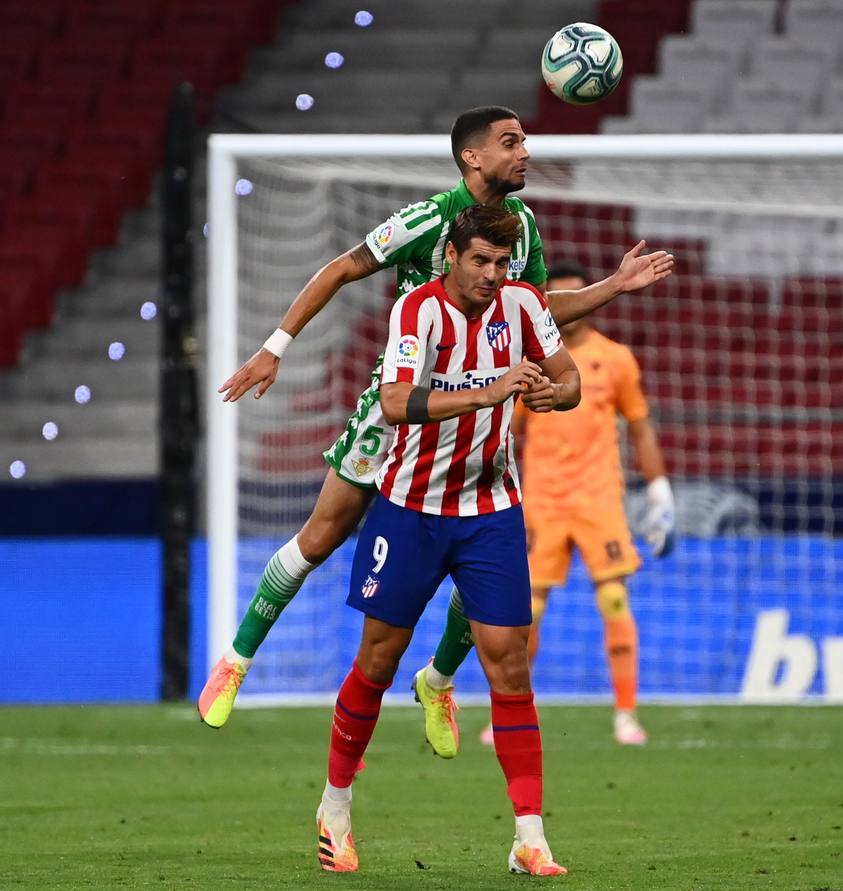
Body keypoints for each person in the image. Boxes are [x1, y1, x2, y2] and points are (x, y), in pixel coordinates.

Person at [198, 106, 673, 729]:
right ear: (472, 157)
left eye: (525, 140)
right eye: (512, 142)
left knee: (481, 558)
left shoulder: (522, 226)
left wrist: (612, 285)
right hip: (397, 413)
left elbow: (536, 307)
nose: (526, 151)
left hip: (475, 424)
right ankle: (235, 659)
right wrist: (274, 347)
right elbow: (343, 266)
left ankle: (439, 680)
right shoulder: (428, 219)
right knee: (320, 538)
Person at [317, 205, 577, 876]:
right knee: (378, 659)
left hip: (491, 508)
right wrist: (486, 394)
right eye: (480, 261)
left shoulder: (522, 306)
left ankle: (530, 838)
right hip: (409, 507)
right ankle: (335, 809)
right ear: (453, 257)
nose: (492, 274)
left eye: (501, 262)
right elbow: (398, 403)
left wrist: (555, 393)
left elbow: (568, 373)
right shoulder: (419, 313)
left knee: (508, 663)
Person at [452, 261, 675, 747]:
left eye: (580, 296)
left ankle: (625, 715)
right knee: (523, 614)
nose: (570, 309)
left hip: (599, 500)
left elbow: (638, 425)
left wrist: (659, 488)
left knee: (614, 600)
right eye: (561, 299)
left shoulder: (615, 359)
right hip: (543, 504)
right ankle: (506, 716)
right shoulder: (529, 364)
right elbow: (507, 432)